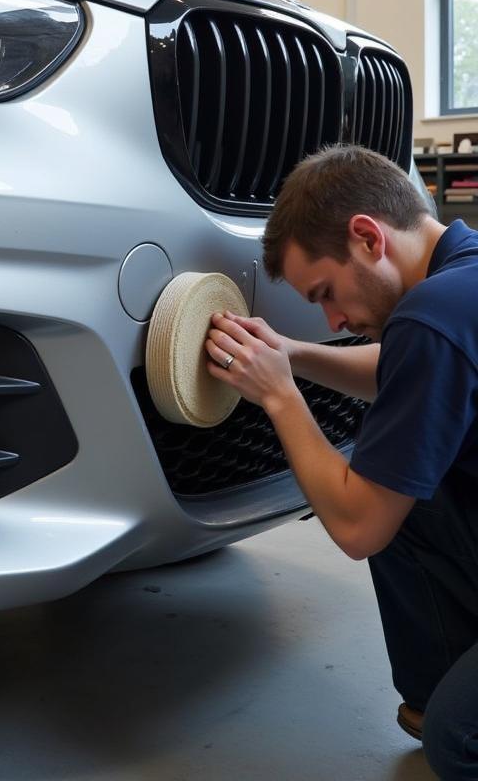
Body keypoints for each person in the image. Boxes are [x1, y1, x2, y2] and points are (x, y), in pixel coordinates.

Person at [203, 144, 478, 780]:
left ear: (366, 237)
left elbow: (358, 529)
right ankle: (445, 684)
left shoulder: (431, 315)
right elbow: (406, 376)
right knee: (402, 470)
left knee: (459, 742)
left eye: (325, 293)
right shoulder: (461, 273)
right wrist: (291, 354)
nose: (334, 319)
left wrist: (279, 394)